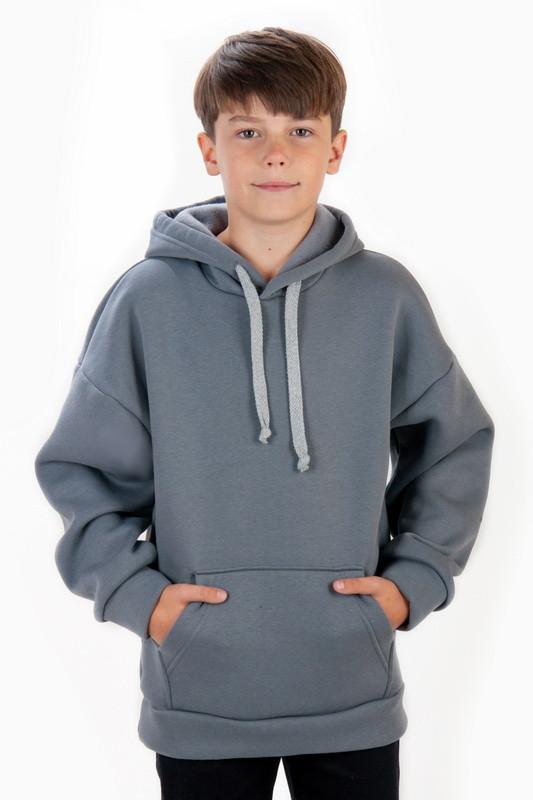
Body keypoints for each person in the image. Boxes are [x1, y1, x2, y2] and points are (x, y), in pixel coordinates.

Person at [34, 26, 495, 800]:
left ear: (335, 149)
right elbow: (82, 469)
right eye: (248, 131)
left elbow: (453, 445)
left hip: (350, 685)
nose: (274, 155)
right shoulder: (146, 300)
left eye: (299, 131)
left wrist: (412, 579)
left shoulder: (385, 296)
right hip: (199, 689)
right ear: (209, 149)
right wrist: (141, 599)